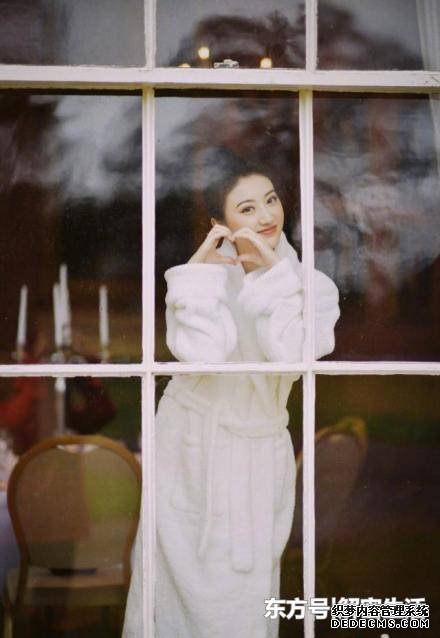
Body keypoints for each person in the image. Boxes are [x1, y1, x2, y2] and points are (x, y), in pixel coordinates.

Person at [122, 148, 340, 638]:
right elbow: (201, 354)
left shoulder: (311, 287)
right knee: (171, 597)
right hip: (189, 452)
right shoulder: (202, 282)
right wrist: (199, 274)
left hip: (256, 458)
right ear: (220, 222)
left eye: (271, 200)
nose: (265, 216)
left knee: (242, 605)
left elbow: (294, 353)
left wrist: (271, 278)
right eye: (247, 208)